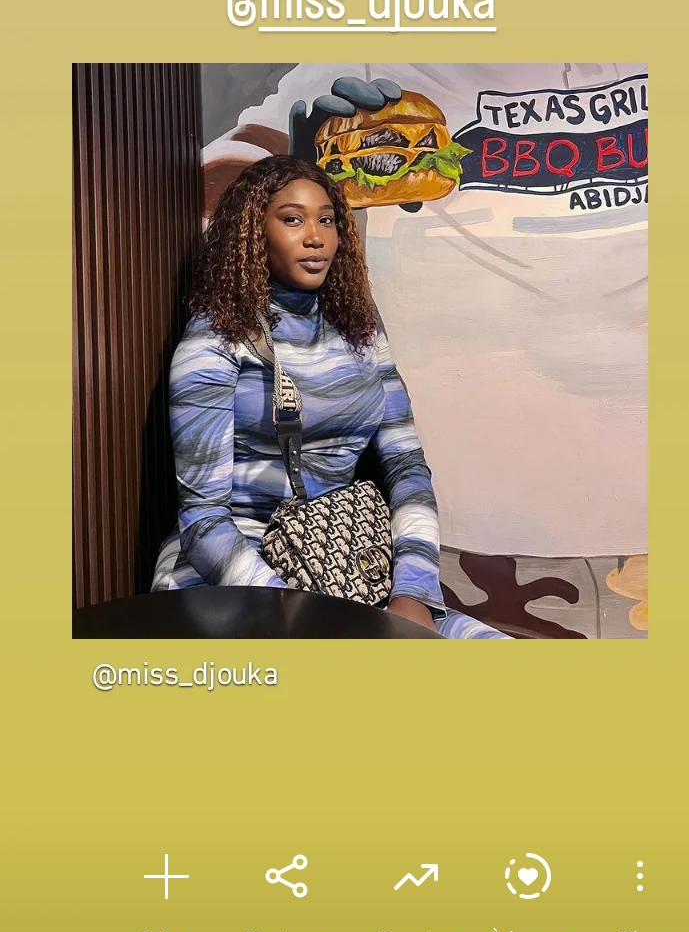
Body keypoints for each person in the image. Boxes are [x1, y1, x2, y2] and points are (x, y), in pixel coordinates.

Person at [152, 155, 508, 638]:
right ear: (253, 233)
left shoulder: (359, 326)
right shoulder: (216, 338)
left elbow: (406, 465)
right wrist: (310, 621)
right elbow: (203, 519)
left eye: (326, 220)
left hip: (342, 559)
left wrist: (414, 591)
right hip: (234, 575)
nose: (315, 237)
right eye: (292, 219)